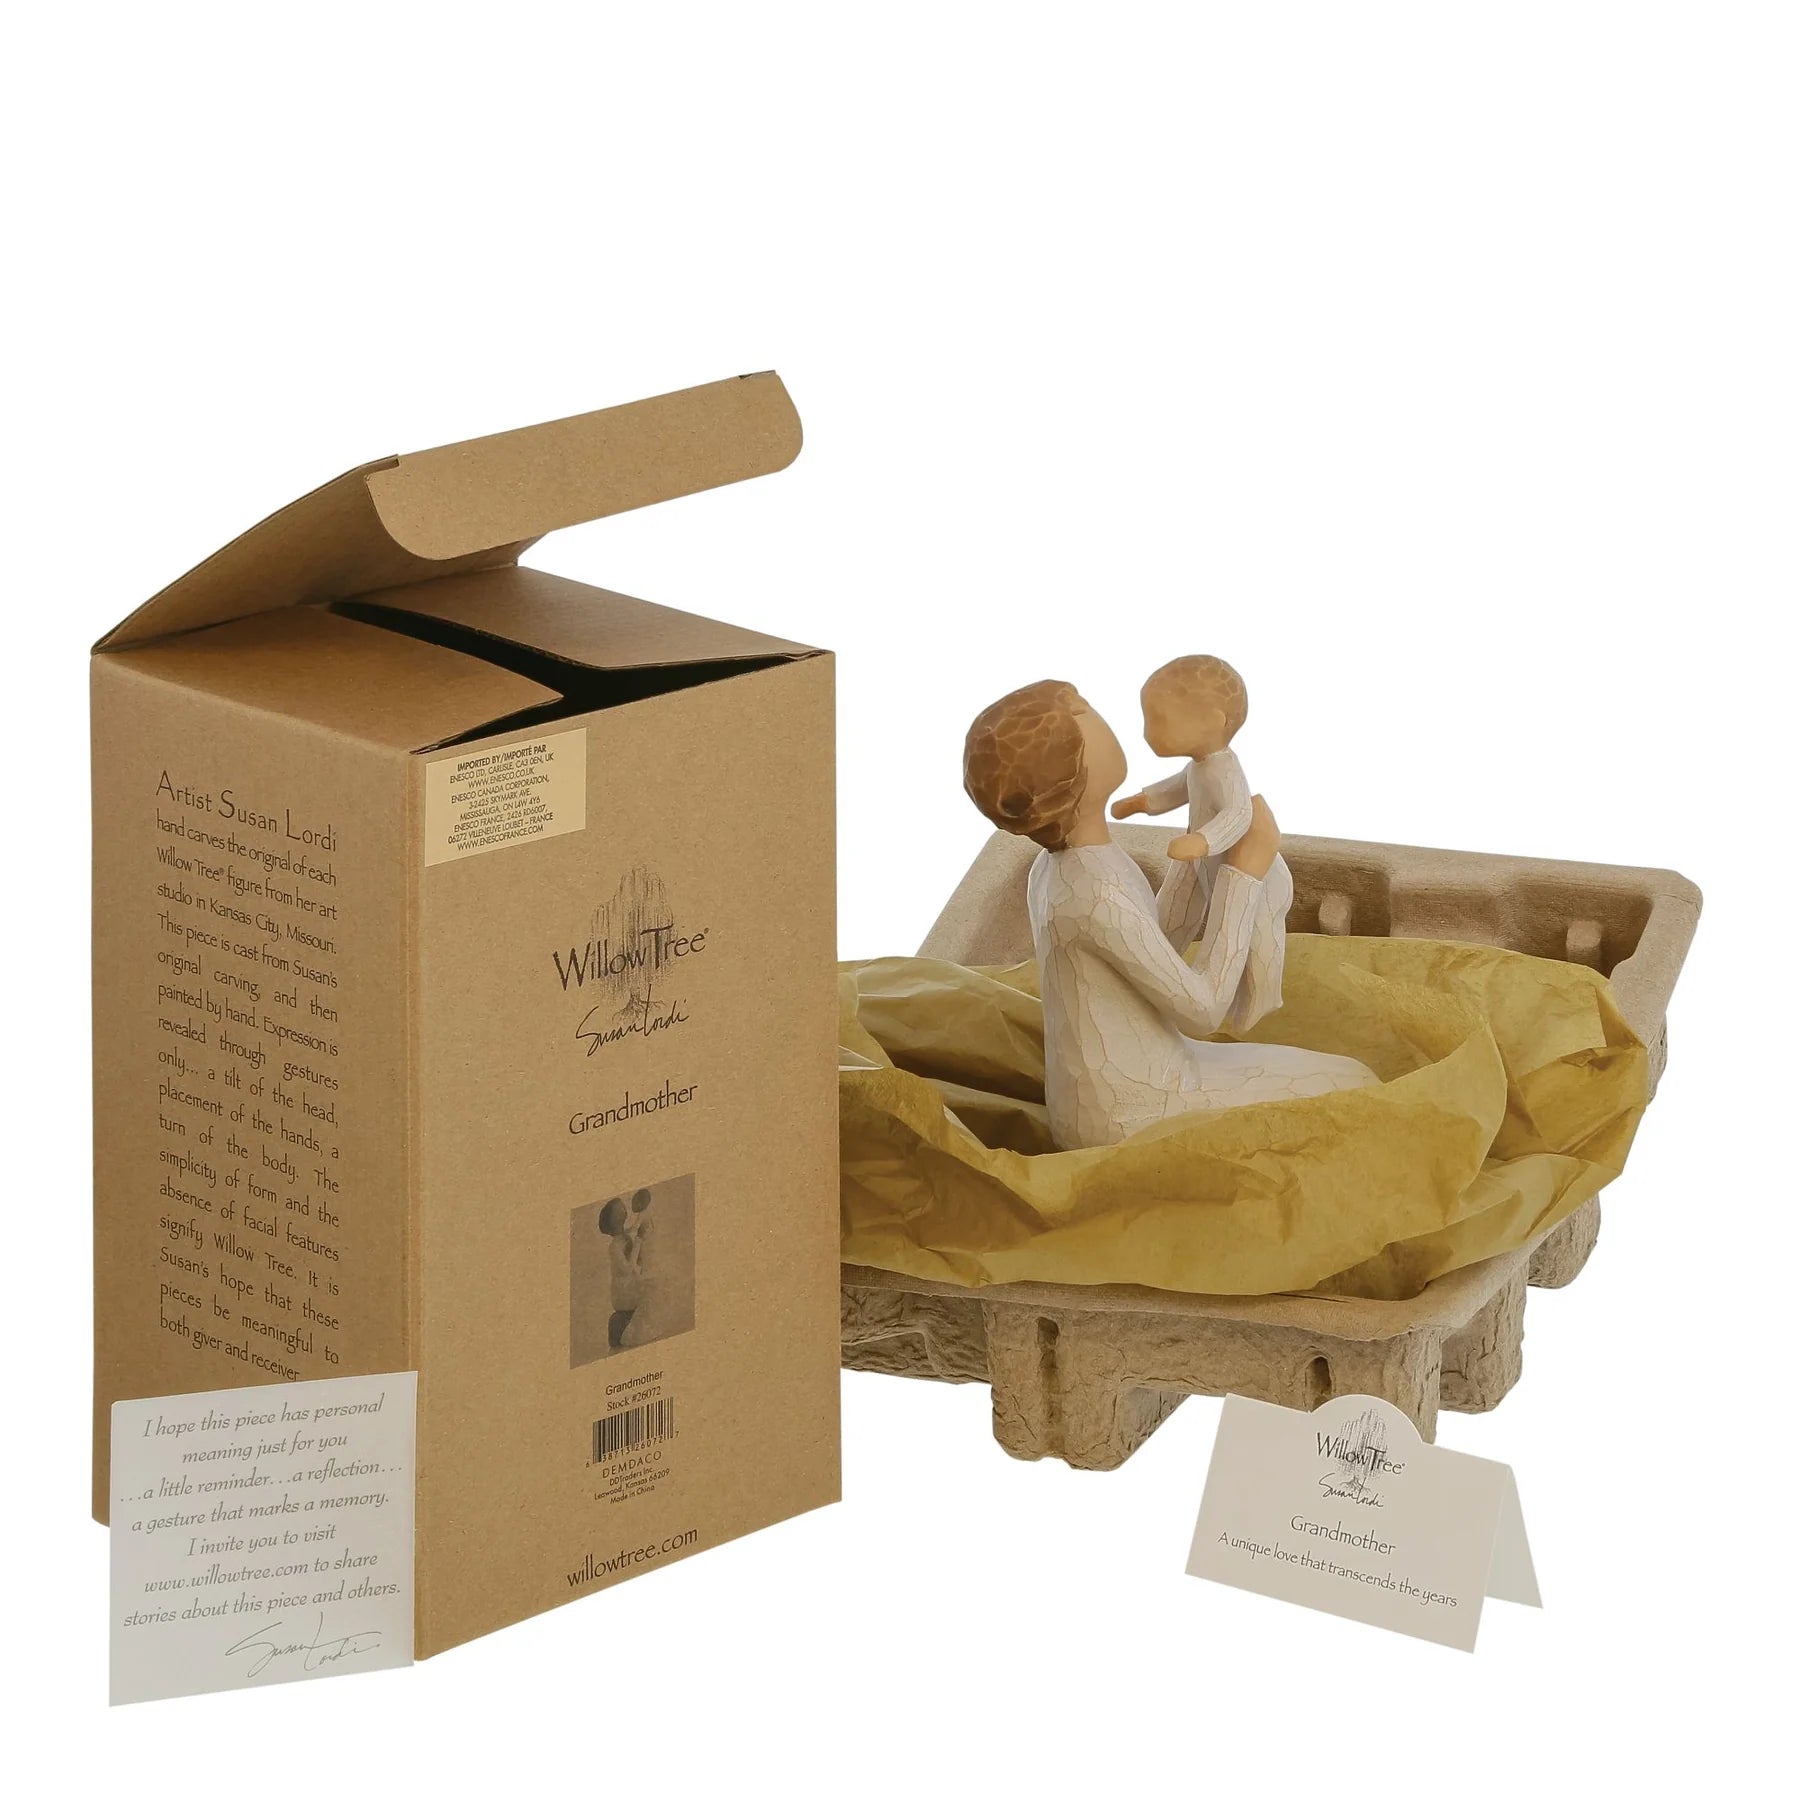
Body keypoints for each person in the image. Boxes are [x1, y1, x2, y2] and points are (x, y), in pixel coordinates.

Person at [963, 680, 1376, 1149]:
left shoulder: (1062, 868)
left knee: (1340, 1078)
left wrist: (1197, 852)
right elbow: (1202, 1009)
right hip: (1132, 1107)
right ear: (1073, 769)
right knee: (1356, 1083)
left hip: (1121, 1083)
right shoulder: (1094, 890)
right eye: (1082, 711)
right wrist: (1242, 874)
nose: (1099, 714)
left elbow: (1148, 949)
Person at [1110, 655, 1289, 1032]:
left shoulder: (1225, 770)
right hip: (1203, 863)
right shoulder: (1200, 766)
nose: (1147, 733)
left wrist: (1203, 841)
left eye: (1159, 722)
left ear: (1213, 721)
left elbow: (1239, 813)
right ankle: (1158, 973)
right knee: (1173, 913)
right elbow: (1178, 788)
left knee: (1258, 943)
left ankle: (1260, 1003)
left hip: (1250, 873)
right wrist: (1144, 801)